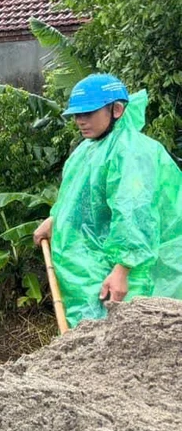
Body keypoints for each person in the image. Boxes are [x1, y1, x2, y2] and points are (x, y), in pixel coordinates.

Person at [33, 74, 182, 326]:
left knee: (129, 335)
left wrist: (123, 269)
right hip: (98, 261)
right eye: (77, 115)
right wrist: (55, 219)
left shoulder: (132, 151)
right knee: (90, 336)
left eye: (88, 113)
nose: (80, 121)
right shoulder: (88, 150)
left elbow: (135, 212)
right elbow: (81, 201)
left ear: (117, 110)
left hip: (136, 269)